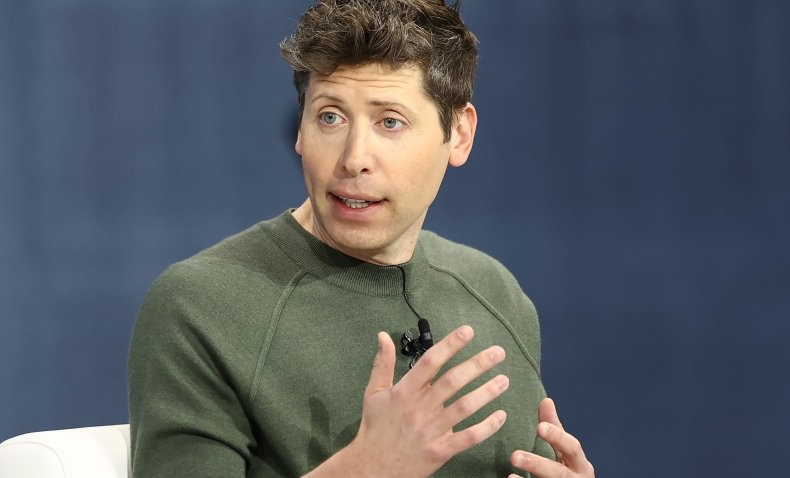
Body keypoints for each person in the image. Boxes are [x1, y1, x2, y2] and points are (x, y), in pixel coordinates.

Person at [128, 1, 593, 477]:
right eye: (330, 117)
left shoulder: (496, 293)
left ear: (459, 134)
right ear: (301, 132)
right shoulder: (202, 307)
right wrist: (364, 469)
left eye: (389, 121)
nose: (354, 158)